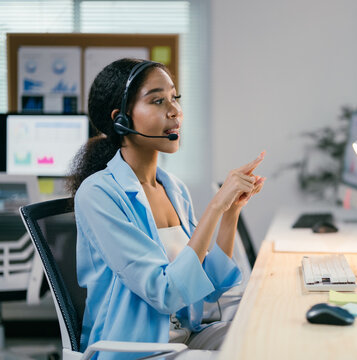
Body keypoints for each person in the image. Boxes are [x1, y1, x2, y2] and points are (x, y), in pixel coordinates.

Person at [66, 58, 265, 359]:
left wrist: (229, 213)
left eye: (174, 98)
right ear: (122, 120)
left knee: (264, 335)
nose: (174, 111)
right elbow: (166, 293)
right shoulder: (99, 194)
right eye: (158, 101)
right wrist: (215, 205)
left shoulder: (172, 187)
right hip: (136, 350)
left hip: (182, 339)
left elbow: (206, 287)